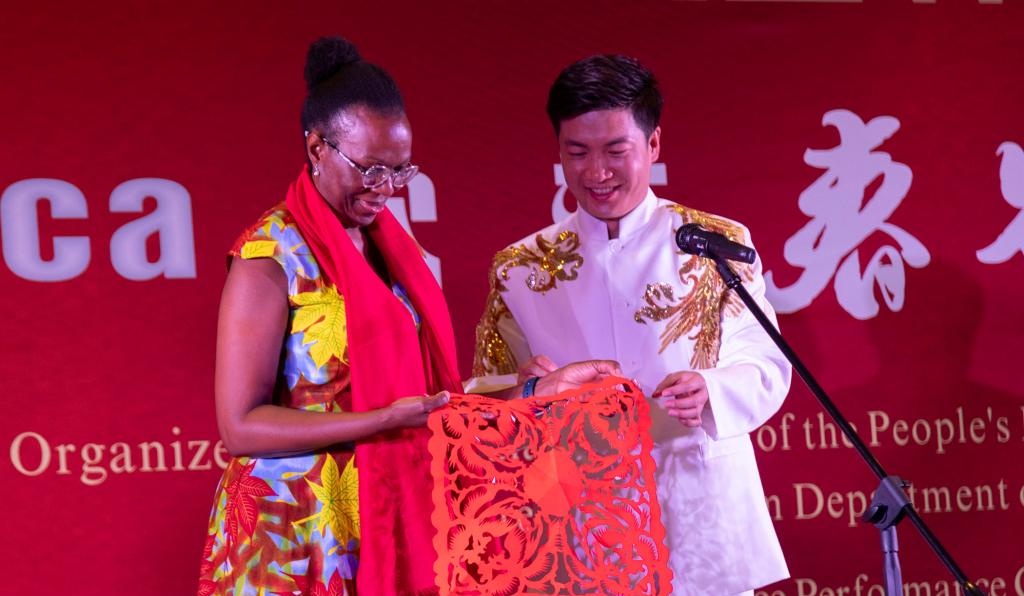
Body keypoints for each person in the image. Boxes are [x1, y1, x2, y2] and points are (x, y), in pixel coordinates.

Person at [197, 37, 619, 596]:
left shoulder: (397, 253)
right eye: (370, 168)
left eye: (400, 171)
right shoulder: (268, 256)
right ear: (317, 147)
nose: (386, 189)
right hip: (294, 538)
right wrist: (380, 420)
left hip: (387, 519)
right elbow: (241, 426)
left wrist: (535, 391)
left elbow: (430, 403)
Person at [472, 54, 793, 596]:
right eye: (577, 153)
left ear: (653, 144)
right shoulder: (521, 269)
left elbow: (764, 360)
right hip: (580, 515)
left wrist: (711, 390)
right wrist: (526, 390)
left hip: (699, 501)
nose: (596, 173)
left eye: (616, 151)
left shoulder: (712, 244)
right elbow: (487, 398)